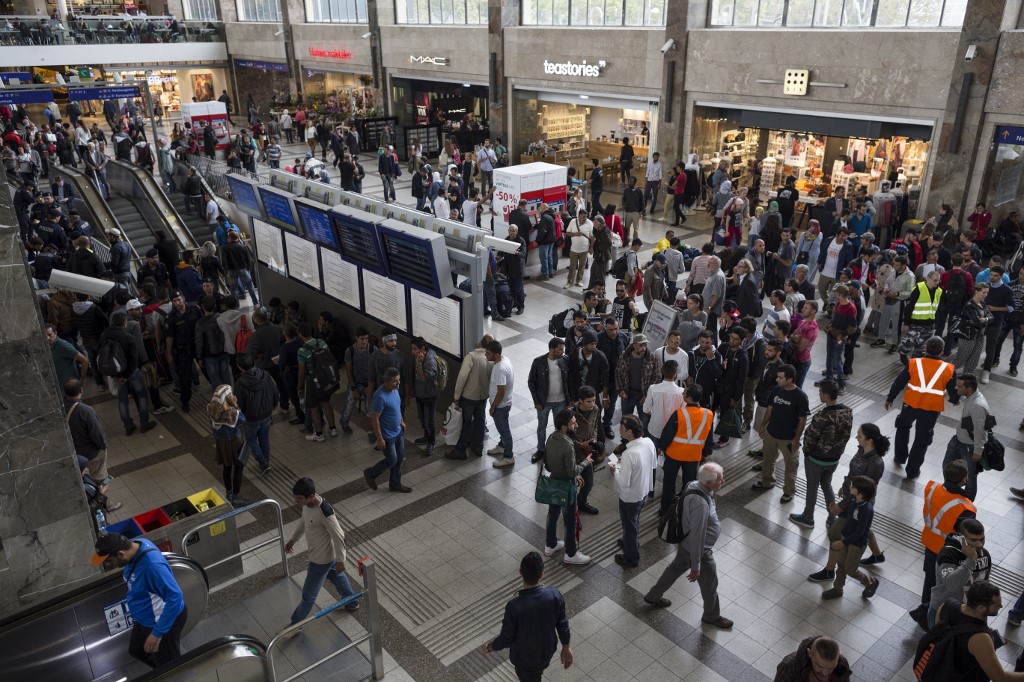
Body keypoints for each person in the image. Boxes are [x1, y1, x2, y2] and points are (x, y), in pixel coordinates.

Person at [643, 462, 733, 629]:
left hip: (685, 545)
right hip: (699, 550)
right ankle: (711, 616)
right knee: (709, 583)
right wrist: (696, 565)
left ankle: (653, 596)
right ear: (708, 483)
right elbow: (698, 535)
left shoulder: (693, 485)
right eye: (720, 480)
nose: (724, 482)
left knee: (674, 569)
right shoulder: (700, 504)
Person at [91, 533, 186, 668]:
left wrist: (157, 633)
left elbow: (175, 597)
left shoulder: (152, 567)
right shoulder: (137, 543)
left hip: (160, 622)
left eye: (109, 561)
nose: (108, 565)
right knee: (137, 650)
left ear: (121, 554)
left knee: (170, 667)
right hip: (145, 619)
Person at [280, 477, 359, 639]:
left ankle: (296, 624)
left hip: (320, 560)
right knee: (336, 576)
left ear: (311, 495)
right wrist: (293, 540)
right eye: (295, 497)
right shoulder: (307, 505)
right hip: (321, 555)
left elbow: (339, 536)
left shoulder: (325, 511)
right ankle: (352, 602)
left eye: (299, 498)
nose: (296, 501)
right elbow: (303, 522)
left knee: (308, 595)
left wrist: (341, 560)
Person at [484, 551, 573, 681]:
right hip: (547, 652)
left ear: (520, 572)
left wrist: (491, 646)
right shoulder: (554, 595)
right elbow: (562, 623)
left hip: (525, 660)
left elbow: (506, 638)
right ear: (541, 574)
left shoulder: (514, 606)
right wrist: (566, 646)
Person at [910, 459, 977, 629]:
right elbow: (968, 537)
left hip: (929, 542)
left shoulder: (931, 487)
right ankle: (932, 617)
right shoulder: (965, 508)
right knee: (944, 585)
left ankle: (925, 607)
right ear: (964, 479)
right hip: (947, 552)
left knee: (929, 579)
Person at [885, 336, 957, 480]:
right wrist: (955, 400)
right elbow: (953, 392)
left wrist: (890, 398)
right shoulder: (948, 369)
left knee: (903, 427)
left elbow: (899, 382)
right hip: (931, 410)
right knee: (922, 439)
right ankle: (912, 471)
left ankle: (900, 457)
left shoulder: (914, 363)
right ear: (942, 351)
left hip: (910, 404)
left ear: (926, 348)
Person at [930, 581, 1024, 682]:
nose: (1001, 606)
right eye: (996, 605)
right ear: (981, 608)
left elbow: (940, 637)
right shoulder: (980, 637)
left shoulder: (946, 606)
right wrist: (986, 645)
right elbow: (1001, 678)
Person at [789, 380, 853, 529]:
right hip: (834, 459)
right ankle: (832, 518)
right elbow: (846, 435)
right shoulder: (847, 413)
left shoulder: (822, 417)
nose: (819, 395)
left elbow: (810, 437)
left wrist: (806, 452)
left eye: (821, 393)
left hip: (816, 459)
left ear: (827, 395)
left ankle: (808, 517)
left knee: (812, 487)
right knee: (827, 484)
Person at [751, 364, 809, 503]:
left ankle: (789, 491)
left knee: (791, 466)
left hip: (789, 438)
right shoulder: (777, 390)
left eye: (781, 377)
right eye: (778, 376)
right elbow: (770, 409)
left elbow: (802, 420)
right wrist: (763, 425)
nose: (777, 379)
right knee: (768, 460)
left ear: (790, 379)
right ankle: (767, 481)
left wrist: (796, 439)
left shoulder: (800, 396)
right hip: (772, 433)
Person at [543, 408, 593, 565]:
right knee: (570, 521)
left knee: (553, 514)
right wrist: (586, 462)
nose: (576, 425)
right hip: (567, 486)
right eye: (573, 423)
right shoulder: (568, 445)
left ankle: (550, 545)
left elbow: (548, 465)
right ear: (564, 427)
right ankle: (571, 554)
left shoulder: (551, 438)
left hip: (553, 482)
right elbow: (572, 472)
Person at [820, 475, 880, 600]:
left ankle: (870, 582)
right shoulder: (853, 500)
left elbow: (860, 532)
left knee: (850, 569)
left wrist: (843, 543)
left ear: (860, 492)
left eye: (853, 486)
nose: (850, 487)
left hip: (857, 544)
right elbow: (848, 516)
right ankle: (837, 589)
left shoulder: (867, 510)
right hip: (846, 537)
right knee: (841, 565)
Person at [658, 384, 714, 517]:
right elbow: (709, 436)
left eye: (684, 393)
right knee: (689, 485)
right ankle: (684, 509)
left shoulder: (679, 414)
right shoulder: (708, 414)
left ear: (689, 398)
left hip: (674, 455)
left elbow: (667, 434)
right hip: (693, 456)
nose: (682, 395)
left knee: (669, 483)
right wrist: (705, 453)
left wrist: (662, 447)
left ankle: (665, 510)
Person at [611, 415, 658, 568]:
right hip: (643, 491)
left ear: (629, 432)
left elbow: (624, 483)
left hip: (630, 497)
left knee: (629, 525)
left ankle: (631, 558)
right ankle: (627, 541)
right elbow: (653, 464)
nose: (619, 430)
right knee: (634, 521)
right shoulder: (648, 442)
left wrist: (616, 471)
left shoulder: (629, 454)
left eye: (622, 428)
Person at [928, 518, 992, 628]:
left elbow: (984, 583)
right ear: (961, 538)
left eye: (982, 539)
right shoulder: (948, 554)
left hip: (972, 614)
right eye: (973, 540)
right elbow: (952, 585)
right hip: (945, 613)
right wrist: (970, 561)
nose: (979, 544)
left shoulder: (984, 554)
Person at [101, 313, 155, 436]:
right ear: (125, 323)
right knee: (141, 396)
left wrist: (117, 376)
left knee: (122, 399)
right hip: (131, 372)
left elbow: (104, 357)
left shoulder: (104, 336)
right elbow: (133, 359)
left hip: (115, 373)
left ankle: (128, 426)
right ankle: (144, 423)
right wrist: (126, 376)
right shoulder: (128, 337)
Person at [363, 367, 411, 493]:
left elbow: (397, 407)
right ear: (387, 382)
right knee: (392, 459)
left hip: (398, 431)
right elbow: (374, 418)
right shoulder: (379, 396)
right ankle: (371, 473)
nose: (398, 383)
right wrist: (380, 439)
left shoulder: (394, 391)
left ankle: (395, 484)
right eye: (395, 381)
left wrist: (401, 421)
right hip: (387, 435)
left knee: (399, 459)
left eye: (399, 380)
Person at [943, 373, 989, 501]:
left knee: (969, 477)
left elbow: (980, 430)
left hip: (969, 446)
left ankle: (967, 503)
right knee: (947, 466)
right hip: (958, 439)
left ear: (969, 389)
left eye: (959, 386)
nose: (955, 388)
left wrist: (977, 451)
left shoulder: (977, 406)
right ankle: (951, 493)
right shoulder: (970, 397)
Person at [449, 335, 493, 459]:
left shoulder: (471, 357)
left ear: (480, 342)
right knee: (480, 421)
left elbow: (462, 377)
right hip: (483, 396)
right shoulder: (491, 358)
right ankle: (478, 447)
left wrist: (456, 396)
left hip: (469, 396)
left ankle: (460, 450)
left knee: (465, 423)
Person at [233, 351, 278, 476]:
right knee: (264, 437)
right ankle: (265, 461)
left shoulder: (240, 384)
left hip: (251, 418)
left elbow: (238, 404)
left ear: (239, 366)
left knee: (251, 439)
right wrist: (274, 404)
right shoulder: (265, 375)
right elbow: (274, 391)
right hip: (267, 413)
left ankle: (263, 462)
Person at [529, 338, 569, 464]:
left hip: (561, 401)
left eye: (563, 349)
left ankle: (557, 451)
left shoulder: (565, 360)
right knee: (542, 426)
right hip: (544, 402)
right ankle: (541, 449)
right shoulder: (539, 362)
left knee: (560, 428)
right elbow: (531, 382)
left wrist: (570, 399)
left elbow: (570, 379)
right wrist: (537, 402)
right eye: (560, 349)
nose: (563, 352)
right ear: (552, 349)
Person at [296, 322, 338, 442]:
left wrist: (299, 387)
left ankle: (319, 434)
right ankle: (333, 429)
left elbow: (302, 371)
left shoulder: (302, 351)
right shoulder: (322, 342)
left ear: (300, 334)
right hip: (325, 379)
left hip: (311, 381)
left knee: (314, 407)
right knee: (326, 403)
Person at [208, 384, 247, 506]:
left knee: (227, 467)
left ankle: (229, 493)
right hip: (234, 441)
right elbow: (242, 419)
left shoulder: (212, 407)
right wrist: (235, 404)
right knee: (238, 467)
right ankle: (236, 496)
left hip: (221, 442)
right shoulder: (231, 411)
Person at [485, 340, 517, 468]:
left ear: (496, 355)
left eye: (488, 353)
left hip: (501, 406)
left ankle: (508, 457)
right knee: (502, 429)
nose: (485, 355)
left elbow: (501, 391)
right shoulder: (504, 360)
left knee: (504, 431)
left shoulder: (500, 368)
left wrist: (493, 407)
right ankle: (502, 446)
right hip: (504, 404)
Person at [773, 636, 852, 682]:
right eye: (820, 666)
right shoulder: (789, 667)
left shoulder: (842, 663)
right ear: (810, 653)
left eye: (831, 668)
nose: (825, 673)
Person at [409, 337, 439, 456]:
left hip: (429, 396)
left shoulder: (430, 361)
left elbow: (423, 378)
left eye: (415, 349)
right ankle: (426, 436)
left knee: (429, 420)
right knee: (422, 418)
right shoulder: (418, 357)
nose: (412, 352)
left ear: (422, 348)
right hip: (420, 394)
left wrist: (420, 363)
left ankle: (431, 442)